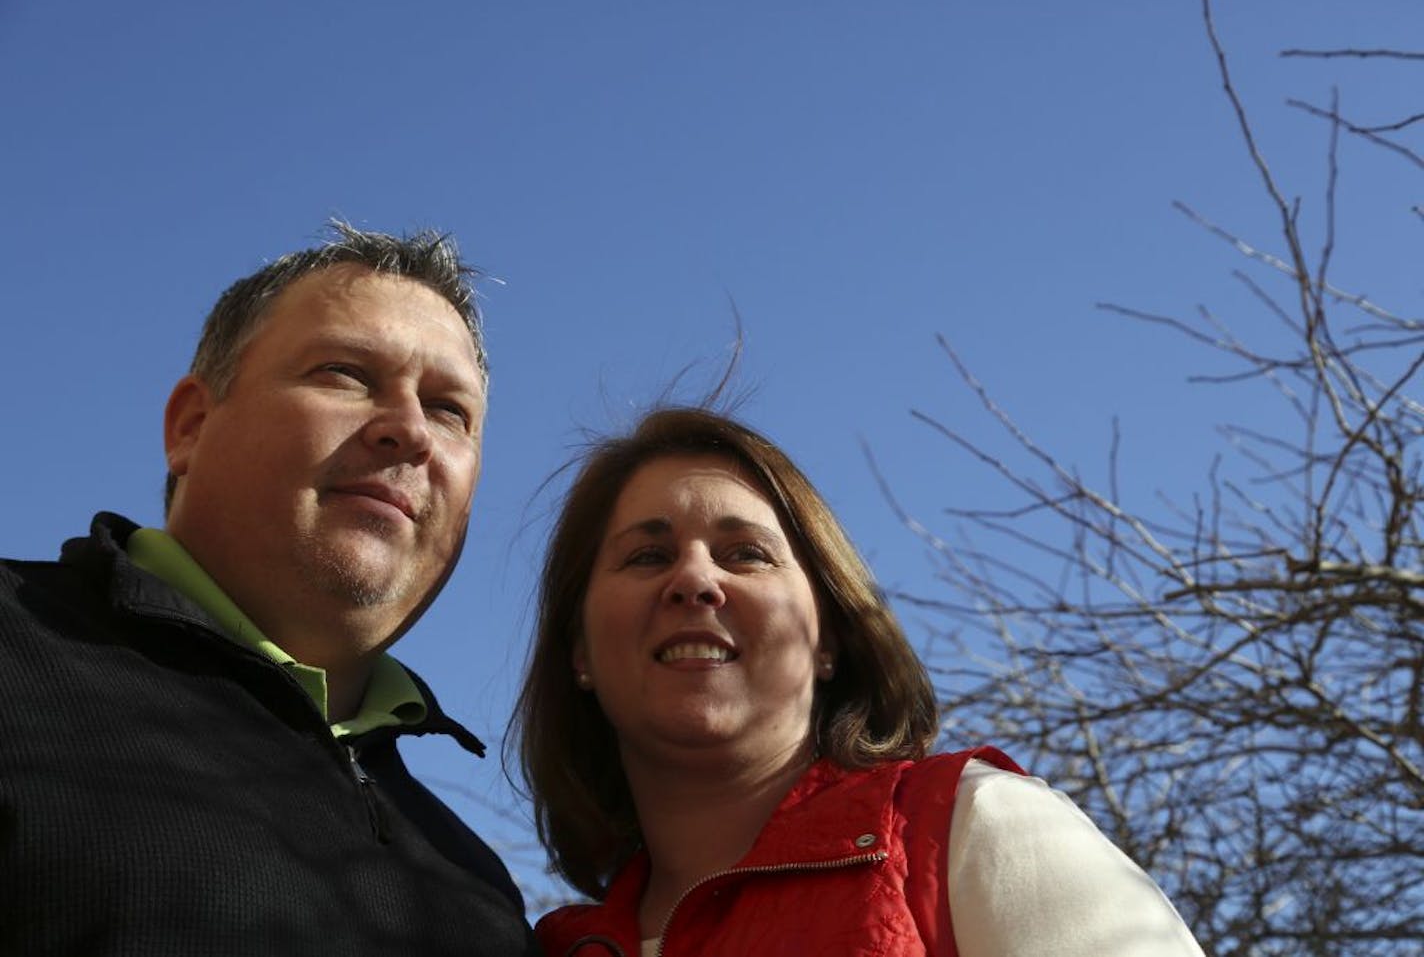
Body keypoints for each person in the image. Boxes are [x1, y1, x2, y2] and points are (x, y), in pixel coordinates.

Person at [0, 223, 537, 956]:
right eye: (345, 374)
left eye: (450, 411)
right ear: (190, 425)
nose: (410, 430)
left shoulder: (481, 889)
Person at [515, 406, 1204, 956]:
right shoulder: (548, 947)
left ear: (830, 639)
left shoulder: (972, 827)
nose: (695, 579)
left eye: (746, 554)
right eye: (647, 555)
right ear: (578, 651)